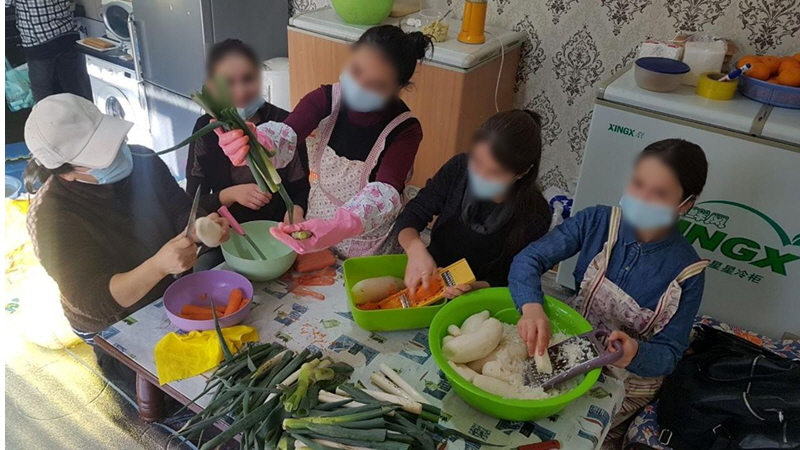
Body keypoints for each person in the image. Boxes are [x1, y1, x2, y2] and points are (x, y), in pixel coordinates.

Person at [509, 139, 709, 435]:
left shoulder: (687, 273)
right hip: (573, 347)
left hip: (625, 377)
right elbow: (530, 259)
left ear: (686, 204)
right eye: (638, 184)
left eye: (659, 194)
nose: (642, 198)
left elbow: (669, 353)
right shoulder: (597, 221)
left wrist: (635, 353)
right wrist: (531, 306)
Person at [25, 94, 229, 373]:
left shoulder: (142, 159)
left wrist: (200, 228)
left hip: (167, 291)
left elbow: (180, 208)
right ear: (66, 173)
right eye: (101, 156)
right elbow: (92, 299)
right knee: (162, 383)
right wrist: (158, 267)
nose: (118, 155)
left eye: (114, 142)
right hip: (111, 319)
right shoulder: (51, 216)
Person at [216, 25, 433, 258]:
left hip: (368, 240)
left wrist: (338, 227)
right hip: (317, 220)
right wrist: (256, 144)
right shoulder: (325, 100)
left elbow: (386, 191)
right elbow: (287, 133)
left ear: (399, 88)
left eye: (377, 85)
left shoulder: (405, 130)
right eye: (356, 70)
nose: (360, 86)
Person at [394, 110, 551, 298]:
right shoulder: (459, 168)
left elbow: (512, 278)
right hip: (431, 274)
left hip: (480, 296)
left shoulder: (535, 215)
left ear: (522, 173)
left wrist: (473, 288)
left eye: (495, 172)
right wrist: (415, 250)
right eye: (477, 162)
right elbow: (412, 214)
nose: (481, 176)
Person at [186, 39, 309, 269]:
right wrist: (230, 194)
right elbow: (193, 201)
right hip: (226, 237)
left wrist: (295, 213)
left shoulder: (283, 124)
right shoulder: (206, 129)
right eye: (228, 83)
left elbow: (301, 189)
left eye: (248, 79)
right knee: (203, 270)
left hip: (276, 235)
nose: (241, 91)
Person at [7, 0, 92, 102]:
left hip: (39, 42)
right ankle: (81, 111)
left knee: (43, 94)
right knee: (75, 88)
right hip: (67, 34)